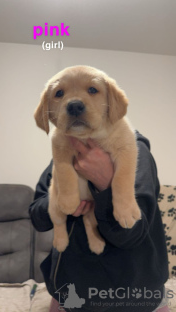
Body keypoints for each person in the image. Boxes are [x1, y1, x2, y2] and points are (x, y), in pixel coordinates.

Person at [29, 131, 169, 312]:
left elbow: (131, 235)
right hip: (69, 291)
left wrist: (105, 185)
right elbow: (37, 218)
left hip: (132, 299)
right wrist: (61, 199)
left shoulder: (134, 150)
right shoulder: (65, 150)